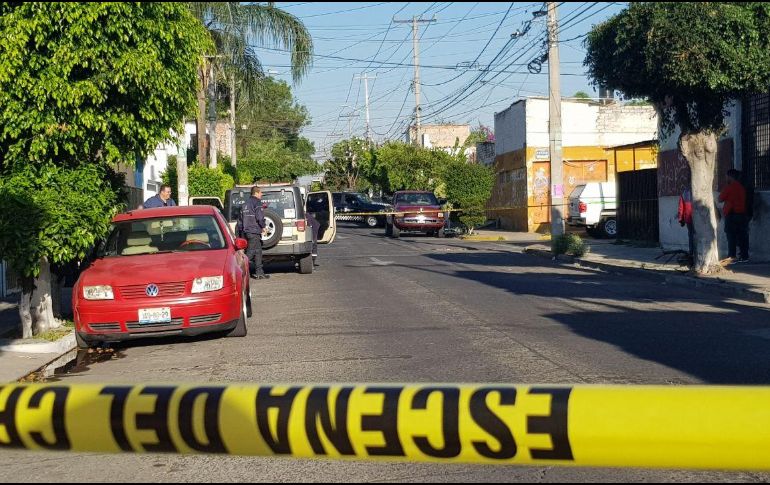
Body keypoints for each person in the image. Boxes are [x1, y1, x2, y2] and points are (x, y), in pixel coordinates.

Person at [236, 186, 269, 279]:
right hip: (254, 230)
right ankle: (237, 270)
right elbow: (259, 217)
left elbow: (240, 220)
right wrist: (263, 226)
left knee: (258, 251)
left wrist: (240, 233)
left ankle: (260, 273)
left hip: (247, 231)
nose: (262, 194)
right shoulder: (257, 202)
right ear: (256, 193)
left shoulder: (245, 203)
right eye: (260, 192)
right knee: (250, 253)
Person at [719, 169, 750, 264]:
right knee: (742, 236)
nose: (726, 178)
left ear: (730, 176)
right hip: (742, 214)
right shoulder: (741, 187)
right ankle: (744, 256)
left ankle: (732, 256)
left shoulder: (730, 187)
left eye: (726, 176)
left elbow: (720, 198)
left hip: (731, 215)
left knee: (731, 236)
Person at [678, 187, 695, 259]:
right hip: (699, 219)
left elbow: (681, 207)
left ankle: (692, 252)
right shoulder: (700, 190)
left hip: (689, 218)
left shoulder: (685, 193)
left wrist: (681, 219)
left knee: (691, 235)